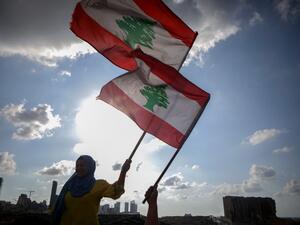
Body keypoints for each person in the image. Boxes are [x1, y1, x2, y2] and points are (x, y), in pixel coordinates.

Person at [52, 155, 131, 225]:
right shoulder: (69, 186)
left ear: (90, 167)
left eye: (82, 165)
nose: (79, 168)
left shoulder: (99, 185)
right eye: (77, 165)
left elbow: (116, 191)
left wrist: (123, 172)